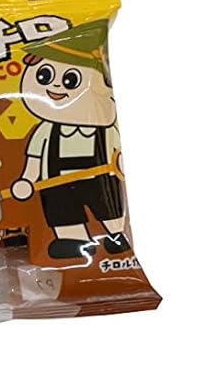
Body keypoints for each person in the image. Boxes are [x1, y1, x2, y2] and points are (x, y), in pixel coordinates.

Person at [11, 20, 131, 259]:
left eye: (70, 80)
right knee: (62, 212)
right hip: (57, 184)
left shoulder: (104, 128)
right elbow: (35, 159)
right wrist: (27, 180)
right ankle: (72, 239)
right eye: (44, 75)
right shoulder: (46, 130)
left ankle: (115, 233)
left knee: (108, 206)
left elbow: (116, 155)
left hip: (99, 179)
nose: (56, 85)